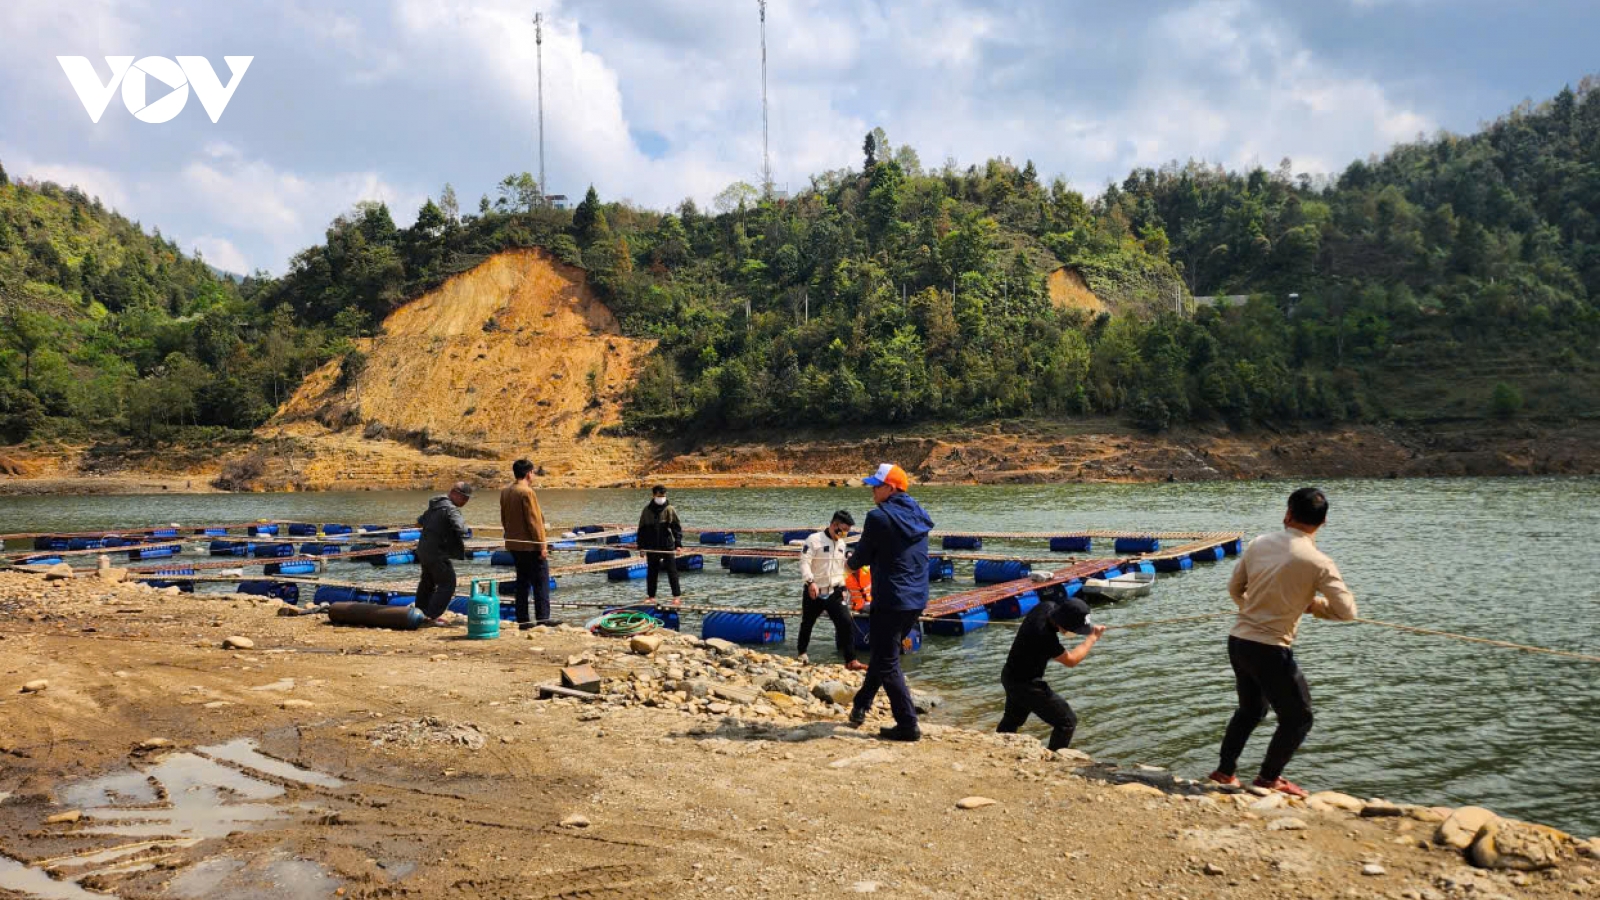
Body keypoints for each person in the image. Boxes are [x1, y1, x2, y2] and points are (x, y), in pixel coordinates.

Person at [1209, 487, 1357, 798]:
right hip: (1270, 649)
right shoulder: (1319, 562)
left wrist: (1255, 609)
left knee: (1250, 711)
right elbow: (1347, 612)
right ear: (1324, 522)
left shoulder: (1259, 543)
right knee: (1299, 718)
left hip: (1239, 640)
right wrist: (1314, 606)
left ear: (1288, 514)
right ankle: (1268, 779)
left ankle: (1225, 772)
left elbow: (1235, 589)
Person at [846, 463, 934, 742]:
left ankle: (908, 725)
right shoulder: (919, 513)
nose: (872, 490)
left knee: (887, 660)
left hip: (891, 598)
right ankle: (861, 704)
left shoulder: (878, 517)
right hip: (916, 597)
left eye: (876, 486)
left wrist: (846, 567)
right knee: (885, 653)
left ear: (891, 488)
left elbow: (861, 557)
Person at [996, 595, 1106, 750]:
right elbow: (1071, 660)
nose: (1074, 632)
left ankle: (996, 748)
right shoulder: (1044, 636)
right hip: (1026, 685)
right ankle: (1054, 758)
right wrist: (1092, 638)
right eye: (1074, 629)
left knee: (1012, 719)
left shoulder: (1045, 606)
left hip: (1010, 675)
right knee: (1067, 722)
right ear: (1063, 624)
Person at [798, 510, 866, 671]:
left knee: (846, 623)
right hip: (814, 590)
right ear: (834, 525)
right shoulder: (814, 540)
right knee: (807, 623)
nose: (845, 533)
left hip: (834, 591)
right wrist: (810, 582)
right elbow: (804, 562)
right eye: (844, 530)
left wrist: (843, 587)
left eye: (848, 531)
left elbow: (840, 568)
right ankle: (802, 653)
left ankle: (851, 660)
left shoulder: (841, 543)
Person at [500, 459, 557, 629]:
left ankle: (522, 619)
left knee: (522, 582)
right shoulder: (527, 492)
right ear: (528, 473)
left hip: (514, 544)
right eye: (532, 472)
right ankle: (543, 618)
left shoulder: (506, 491)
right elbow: (534, 522)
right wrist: (542, 545)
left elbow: (504, 518)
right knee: (541, 581)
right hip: (530, 545)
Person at [415, 482, 473, 622]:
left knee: (427, 582)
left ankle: (419, 613)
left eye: (468, 499)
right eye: (464, 498)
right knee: (448, 583)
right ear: (454, 493)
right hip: (437, 553)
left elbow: (419, 522)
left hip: (424, 550)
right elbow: (462, 529)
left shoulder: (435, 505)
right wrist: (465, 530)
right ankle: (431, 616)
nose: (465, 501)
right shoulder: (451, 509)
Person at [637, 484, 683, 605]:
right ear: (654, 496)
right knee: (652, 572)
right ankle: (651, 596)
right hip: (652, 545)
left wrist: (678, 544)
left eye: (663, 496)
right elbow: (641, 530)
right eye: (659, 496)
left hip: (666, 545)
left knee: (672, 571)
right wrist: (641, 547)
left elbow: (676, 528)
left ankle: (676, 596)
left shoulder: (669, 509)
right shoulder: (646, 511)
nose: (661, 498)